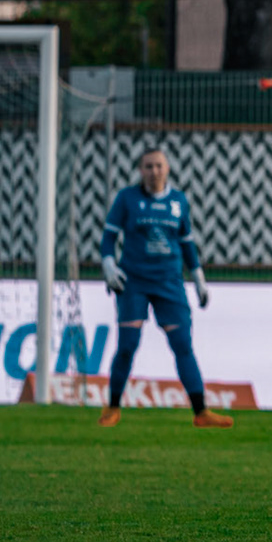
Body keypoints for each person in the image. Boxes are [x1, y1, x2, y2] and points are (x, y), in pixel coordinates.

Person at [97, 147, 229, 428]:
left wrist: (199, 279)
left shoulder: (179, 201)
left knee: (182, 344)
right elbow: (108, 238)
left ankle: (201, 412)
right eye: (148, 166)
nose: (154, 171)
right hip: (134, 281)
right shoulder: (127, 198)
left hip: (170, 282)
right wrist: (109, 265)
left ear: (167, 169)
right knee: (127, 346)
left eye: (158, 165)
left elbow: (187, 242)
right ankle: (112, 407)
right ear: (140, 170)